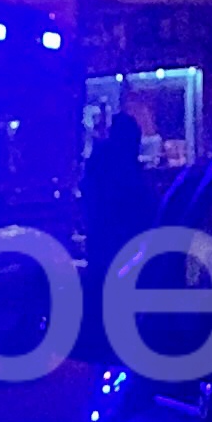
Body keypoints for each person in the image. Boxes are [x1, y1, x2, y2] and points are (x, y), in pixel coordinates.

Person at [82, 112, 153, 361]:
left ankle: (105, 354)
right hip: (121, 248)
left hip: (103, 246)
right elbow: (140, 210)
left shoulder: (99, 166)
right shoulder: (123, 172)